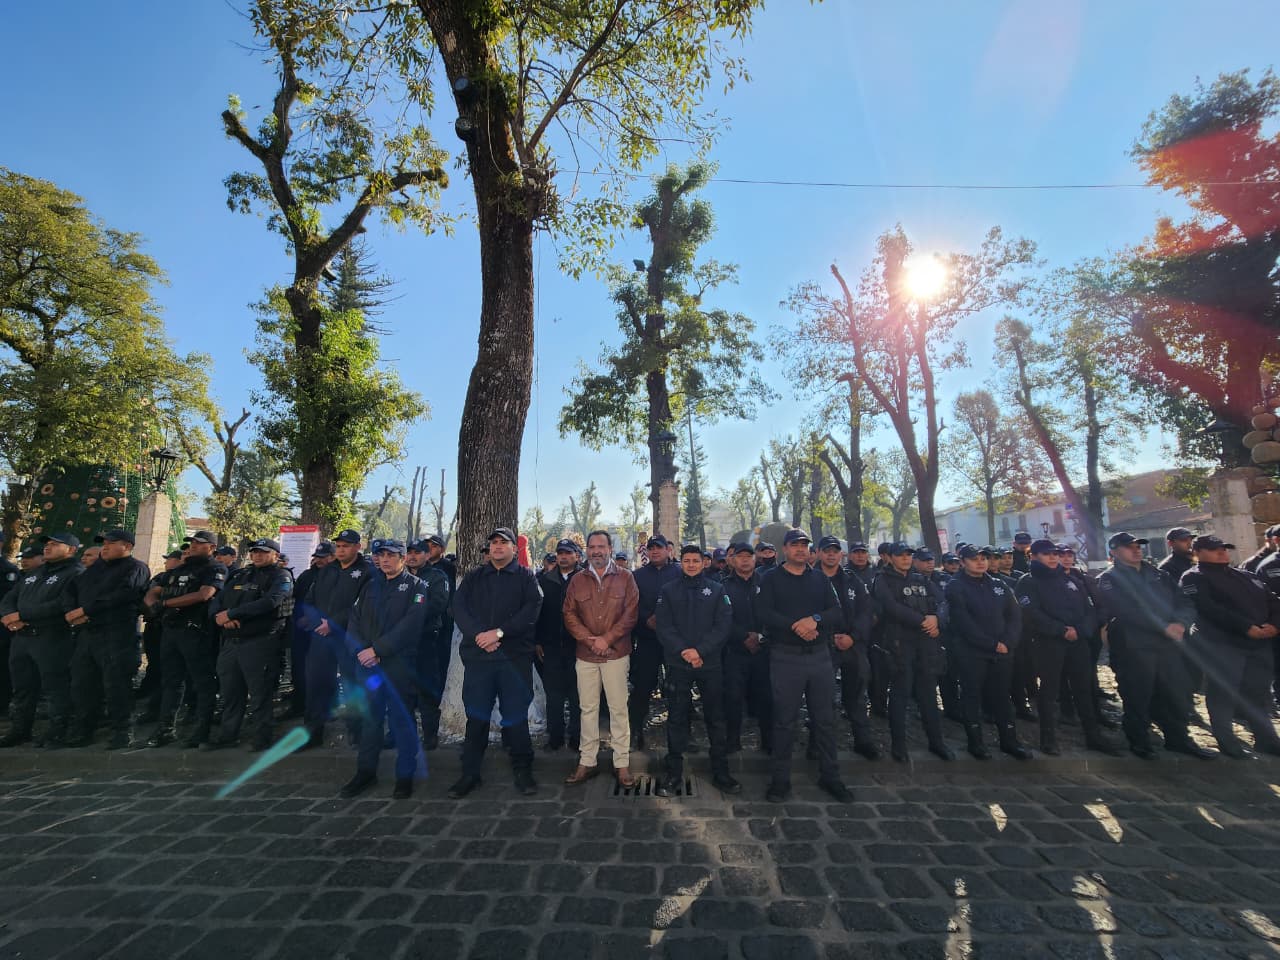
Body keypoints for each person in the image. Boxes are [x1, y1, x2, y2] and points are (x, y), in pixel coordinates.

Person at [756, 529, 853, 802]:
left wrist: (815, 620)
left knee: (825, 719)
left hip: (820, 656)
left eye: (804, 545)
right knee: (784, 721)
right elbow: (763, 612)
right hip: (785, 657)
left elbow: (836, 611)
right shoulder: (771, 578)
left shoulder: (819, 578)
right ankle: (780, 780)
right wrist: (795, 626)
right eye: (794, 545)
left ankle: (830, 776)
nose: (800, 549)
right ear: (785, 549)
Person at [1096, 532, 1212, 760]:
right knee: (1138, 695)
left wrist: (1181, 622)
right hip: (1134, 646)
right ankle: (1139, 741)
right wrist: (1163, 626)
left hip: (1168, 644)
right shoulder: (1109, 579)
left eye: (1138, 545)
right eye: (1129, 546)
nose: (1136, 549)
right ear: (1114, 552)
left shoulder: (1158, 574)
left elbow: (1184, 601)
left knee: (1175, 694)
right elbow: (1125, 610)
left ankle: (1178, 739)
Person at [449, 527, 543, 799]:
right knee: (476, 717)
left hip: (513, 659)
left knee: (516, 717)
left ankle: (523, 770)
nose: (498, 546)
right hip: (480, 658)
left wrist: (499, 633)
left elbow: (531, 611)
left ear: (514, 548)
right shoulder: (474, 577)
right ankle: (470, 773)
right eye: (494, 543)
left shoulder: (526, 577)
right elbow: (458, 608)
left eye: (504, 542)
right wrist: (480, 635)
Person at [340, 539, 431, 798]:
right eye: (381, 555)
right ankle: (366, 772)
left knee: (401, 721)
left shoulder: (416, 586)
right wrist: (361, 650)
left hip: (398, 665)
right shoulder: (370, 586)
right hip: (368, 665)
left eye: (391, 555)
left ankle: (405, 775)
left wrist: (378, 650)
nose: (385, 560)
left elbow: (411, 625)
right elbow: (354, 620)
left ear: (402, 559)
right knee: (371, 720)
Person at [1014, 540, 1122, 756]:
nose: (1053, 557)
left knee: (1084, 688)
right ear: (1033, 556)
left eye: (1055, 553)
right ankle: (1048, 738)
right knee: (1049, 690)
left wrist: (1081, 630)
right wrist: (1061, 630)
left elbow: (1088, 609)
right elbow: (1031, 613)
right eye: (1046, 554)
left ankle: (1093, 735)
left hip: (1077, 641)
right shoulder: (1028, 582)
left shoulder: (1070, 579)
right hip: (1048, 643)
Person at [1180, 534, 1280, 757]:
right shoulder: (1194, 577)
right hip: (1222, 644)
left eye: (1224, 548)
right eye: (1214, 549)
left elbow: (1273, 601)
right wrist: (1245, 626)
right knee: (1223, 694)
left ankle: (1267, 740)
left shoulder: (1244, 575)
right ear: (1198, 552)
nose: (1222, 552)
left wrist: (1275, 625)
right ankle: (1227, 742)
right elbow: (1208, 608)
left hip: (1258, 645)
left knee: (1258, 694)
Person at [654, 543, 738, 796]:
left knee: (715, 718)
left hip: (709, 664)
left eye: (696, 561)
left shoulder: (716, 589)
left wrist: (700, 652)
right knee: (677, 718)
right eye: (687, 560)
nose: (691, 565)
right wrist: (685, 652)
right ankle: (673, 774)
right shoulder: (668, 590)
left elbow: (723, 626)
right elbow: (664, 626)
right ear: (681, 563)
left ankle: (721, 772)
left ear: (704, 563)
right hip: (678, 663)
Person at [562, 530, 639, 787]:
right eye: (592, 547)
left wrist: (607, 639)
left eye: (601, 546)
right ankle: (587, 761)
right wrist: (590, 641)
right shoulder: (577, 580)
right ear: (587, 550)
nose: (596, 551)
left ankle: (622, 763)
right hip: (586, 655)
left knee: (618, 709)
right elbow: (569, 614)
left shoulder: (626, 577)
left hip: (616, 654)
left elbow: (630, 614)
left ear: (609, 549)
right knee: (587, 709)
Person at [945, 545, 1033, 760]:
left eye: (984, 558)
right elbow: (963, 622)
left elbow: (1014, 615)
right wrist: (991, 644)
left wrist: (1008, 641)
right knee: (972, 696)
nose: (980, 562)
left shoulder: (998, 584)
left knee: (1002, 696)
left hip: (1002, 651)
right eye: (974, 559)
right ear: (962, 562)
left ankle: (1009, 741)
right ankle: (976, 742)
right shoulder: (955, 586)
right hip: (972, 652)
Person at [205, 538, 294, 751]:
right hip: (231, 641)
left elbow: (271, 602)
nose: (257, 555)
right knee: (230, 692)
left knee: (260, 694)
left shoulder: (281, 576)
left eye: (263, 552)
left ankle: (262, 738)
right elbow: (219, 599)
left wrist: (233, 614)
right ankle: (228, 735)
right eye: (254, 552)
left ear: (275, 555)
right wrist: (220, 617)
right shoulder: (240, 574)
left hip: (260, 642)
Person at [65, 529, 151, 749]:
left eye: (111, 543)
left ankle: (122, 731)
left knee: (117, 686)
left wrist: (86, 611)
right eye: (104, 543)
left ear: (127, 546)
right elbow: (72, 590)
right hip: (87, 634)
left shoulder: (136, 568)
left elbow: (124, 595)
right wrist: (72, 611)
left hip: (116, 635)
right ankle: (84, 730)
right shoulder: (95, 569)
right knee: (83, 685)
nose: (105, 546)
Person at [0, 532, 86, 747]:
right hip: (22, 638)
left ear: (71, 550)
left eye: (55, 544)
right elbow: (10, 597)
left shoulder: (76, 573)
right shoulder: (35, 572)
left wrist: (21, 615)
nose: (48, 547)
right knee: (22, 687)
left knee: (55, 686)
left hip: (51, 637)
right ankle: (20, 729)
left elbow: (61, 604)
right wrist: (9, 615)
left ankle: (57, 731)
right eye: (47, 544)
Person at [872, 542, 955, 763]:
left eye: (909, 555)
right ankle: (899, 745)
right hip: (899, 643)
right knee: (900, 694)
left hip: (926, 644)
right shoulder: (882, 580)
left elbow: (942, 602)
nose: (906, 559)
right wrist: (922, 621)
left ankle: (936, 742)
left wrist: (937, 619)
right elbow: (891, 607)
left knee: (928, 694)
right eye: (901, 555)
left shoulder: (921, 579)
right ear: (890, 557)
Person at [143, 531, 225, 748]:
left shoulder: (214, 568)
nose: (193, 546)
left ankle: (201, 729)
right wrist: (153, 604)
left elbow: (204, 594)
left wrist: (165, 604)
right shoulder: (178, 569)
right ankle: (166, 729)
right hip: (171, 630)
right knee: (171, 681)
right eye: (192, 543)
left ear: (212, 548)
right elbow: (154, 590)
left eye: (199, 543)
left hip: (196, 631)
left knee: (202, 682)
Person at [297, 529, 373, 749]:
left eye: (346, 546)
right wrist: (316, 622)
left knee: (352, 686)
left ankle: (357, 734)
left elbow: (363, 605)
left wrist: (333, 624)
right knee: (316, 685)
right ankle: (312, 734)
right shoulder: (327, 570)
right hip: (321, 637)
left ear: (358, 547)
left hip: (349, 638)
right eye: (338, 546)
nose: (341, 550)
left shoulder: (367, 572)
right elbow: (310, 600)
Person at [816, 535, 878, 759]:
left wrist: (853, 636)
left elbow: (865, 612)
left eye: (835, 551)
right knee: (822, 697)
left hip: (853, 644)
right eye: (827, 551)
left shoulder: (853, 580)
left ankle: (863, 740)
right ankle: (818, 744)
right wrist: (829, 637)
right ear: (819, 554)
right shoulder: (810, 579)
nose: (831, 555)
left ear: (841, 554)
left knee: (857, 696)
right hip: (822, 645)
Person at [628, 535, 679, 750]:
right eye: (651, 548)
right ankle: (636, 731)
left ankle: (682, 734)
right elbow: (630, 604)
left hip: (674, 641)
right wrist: (645, 619)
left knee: (678, 688)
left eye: (659, 547)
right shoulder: (637, 576)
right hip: (647, 639)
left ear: (668, 550)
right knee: (642, 686)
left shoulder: (679, 572)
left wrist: (665, 619)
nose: (655, 551)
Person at [720, 542, 771, 755]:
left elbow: (774, 613)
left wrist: (760, 636)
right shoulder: (722, 586)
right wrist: (743, 636)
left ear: (755, 559)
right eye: (740, 556)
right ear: (732, 560)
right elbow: (721, 618)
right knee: (733, 698)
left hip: (764, 650)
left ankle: (768, 742)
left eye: (748, 556)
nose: (744, 560)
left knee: (766, 698)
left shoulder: (767, 583)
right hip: (735, 651)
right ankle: (732, 741)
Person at [536, 539, 582, 753]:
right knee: (553, 696)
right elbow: (537, 613)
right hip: (551, 647)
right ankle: (554, 738)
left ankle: (577, 738)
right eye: (560, 553)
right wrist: (537, 641)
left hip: (578, 647)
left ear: (576, 556)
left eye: (568, 553)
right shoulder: (544, 580)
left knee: (577, 696)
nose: (563, 557)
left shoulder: (584, 578)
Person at [406, 540, 452, 751]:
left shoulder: (436, 577)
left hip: (426, 639)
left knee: (426, 689)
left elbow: (438, 604)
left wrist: (408, 616)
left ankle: (430, 735)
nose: (412, 556)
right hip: (400, 641)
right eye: (409, 552)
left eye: (418, 552)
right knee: (403, 690)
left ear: (426, 555)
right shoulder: (400, 576)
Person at [285, 542, 334, 719]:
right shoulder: (306, 575)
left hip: (324, 630)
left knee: (324, 673)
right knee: (299, 669)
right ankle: (299, 704)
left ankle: (327, 709)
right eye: (317, 557)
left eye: (323, 557)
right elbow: (296, 598)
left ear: (332, 557)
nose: (319, 560)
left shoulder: (337, 575)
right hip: (302, 630)